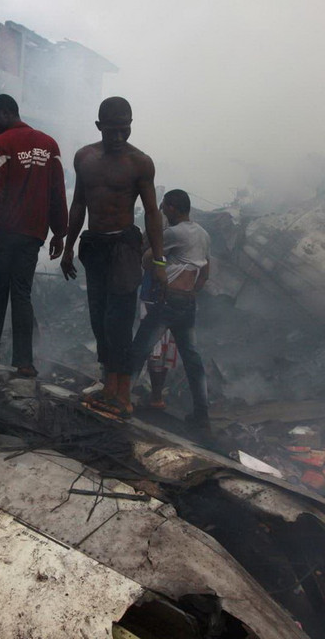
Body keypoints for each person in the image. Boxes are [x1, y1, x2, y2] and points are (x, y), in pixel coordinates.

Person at [60, 97, 166, 416]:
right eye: (112, 130)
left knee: (118, 321)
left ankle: (123, 395)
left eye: (125, 129)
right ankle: (110, 387)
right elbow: (78, 204)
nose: (119, 137)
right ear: (99, 126)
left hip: (124, 247)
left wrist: (158, 261)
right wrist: (67, 247)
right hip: (94, 245)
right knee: (99, 319)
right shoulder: (85, 158)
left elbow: (151, 213)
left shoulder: (140, 163)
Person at [0, 94, 68, 376]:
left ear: (5, 113)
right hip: (33, 235)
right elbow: (57, 191)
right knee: (22, 294)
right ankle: (24, 362)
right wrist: (59, 232)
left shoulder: (1, 144)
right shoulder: (49, 144)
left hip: (4, 234)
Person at [129, 190, 211, 425]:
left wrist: (155, 267)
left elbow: (147, 259)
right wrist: (192, 293)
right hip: (188, 302)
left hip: (168, 301)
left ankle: (120, 400)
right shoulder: (204, 235)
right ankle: (201, 414)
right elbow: (205, 273)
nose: (163, 210)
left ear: (173, 208)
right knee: (192, 359)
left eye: (165, 206)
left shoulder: (173, 233)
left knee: (139, 350)